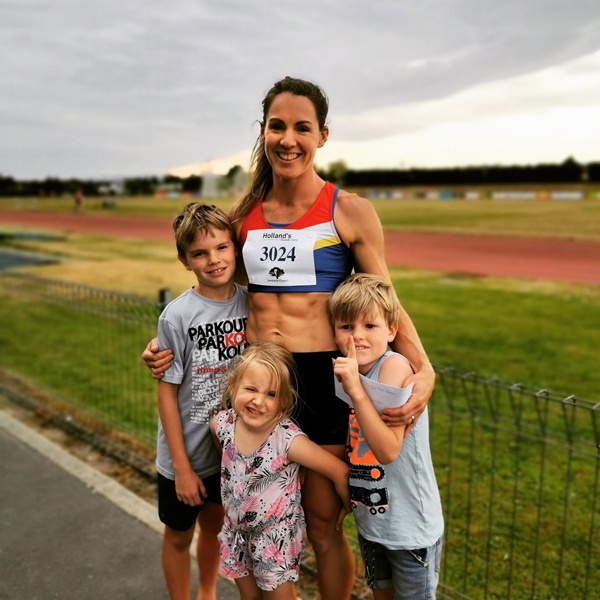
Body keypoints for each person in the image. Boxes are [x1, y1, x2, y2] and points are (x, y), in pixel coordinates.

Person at [143, 76, 435, 599]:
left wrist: (425, 368)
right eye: (277, 126)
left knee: (322, 524)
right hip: (262, 383)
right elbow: (210, 277)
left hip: (324, 382)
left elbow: (386, 300)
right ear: (263, 132)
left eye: (303, 127)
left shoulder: (349, 211)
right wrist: (168, 339)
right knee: (256, 520)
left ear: (323, 135)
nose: (288, 138)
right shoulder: (244, 217)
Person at [328, 273, 444, 599]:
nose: (357, 337)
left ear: (391, 330)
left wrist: (355, 390)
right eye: (346, 327)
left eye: (370, 326)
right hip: (374, 522)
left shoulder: (394, 368)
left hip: (410, 529)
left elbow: (388, 450)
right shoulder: (350, 371)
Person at [155, 202, 248, 600]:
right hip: (186, 456)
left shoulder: (251, 303)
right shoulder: (177, 316)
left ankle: (207, 593)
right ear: (184, 260)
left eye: (222, 248)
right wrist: (181, 468)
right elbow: (166, 393)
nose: (214, 260)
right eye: (200, 253)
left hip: (228, 455)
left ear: (235, 249)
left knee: (214, 528)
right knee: (179, 536)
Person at [211, 341, 350, 599]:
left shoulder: (287, 439)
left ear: (284, 400)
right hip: (235, 534)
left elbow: (339, 471)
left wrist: (346, 506)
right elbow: (222, 448)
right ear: (232, 386)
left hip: (273, 542)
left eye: (271, 394)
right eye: (250, 388)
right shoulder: (223, 423)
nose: (258, 400)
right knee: (249, 597)